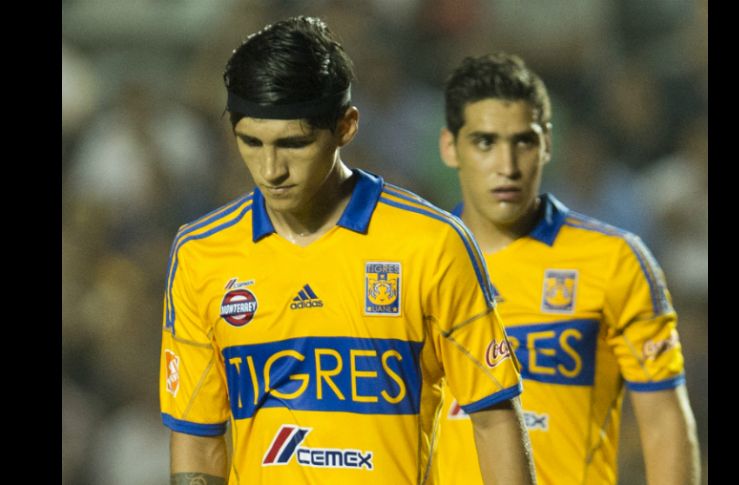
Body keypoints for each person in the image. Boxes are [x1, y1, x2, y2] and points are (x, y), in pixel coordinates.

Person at [159, 18, 536, 485]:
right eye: (251, 142)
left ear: (345, 126)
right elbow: (197, 437)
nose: (271, 169)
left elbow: (493, 417)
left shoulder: (431, 244)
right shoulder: (202, 253)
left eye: (293, 143)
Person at [433, 53, 701, 485]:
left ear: (548, 145)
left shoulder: (614, 259)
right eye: (485, 142)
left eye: (524, 141)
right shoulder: (420, 261)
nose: (507, 165)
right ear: (450, 147)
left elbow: (661, 419)